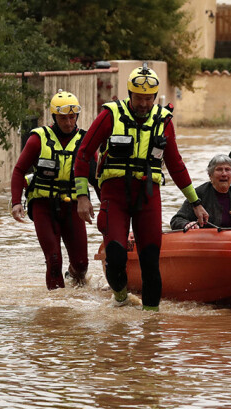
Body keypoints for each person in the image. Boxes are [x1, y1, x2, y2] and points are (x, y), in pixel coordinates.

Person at [74, 64, 208, 311]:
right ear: (129, 94)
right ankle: (122, 298)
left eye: (149, 99)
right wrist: (82, 196)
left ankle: (151, 324)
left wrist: (195, 202)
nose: (144, 104)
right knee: (115, 257)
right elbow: (83, 154)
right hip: (114, 196)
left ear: (155, 97)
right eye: (139, 98)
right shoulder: (110, 115)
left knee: (150, 262)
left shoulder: (163, 121)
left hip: (147, 196)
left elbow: (176, 164)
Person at [10, 90, 89, 290]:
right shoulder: (38, 139)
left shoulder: (85, 141)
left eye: (72, 117)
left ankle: (74, 283)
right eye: (63, 118)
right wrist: (16, 202)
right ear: (54, 117)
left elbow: (96, 177)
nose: (69, 122)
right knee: (54, 260)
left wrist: (106, 206)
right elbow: (19, 170)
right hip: (43, 206)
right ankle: (56, 312)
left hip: (73, 207)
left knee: (81, 264)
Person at [170, 154, 231, 230]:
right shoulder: (199, 193)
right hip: (206, 244)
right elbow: (176, 220)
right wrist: (188, 224)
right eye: (219, 169)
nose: (224, 174)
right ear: (210, 175)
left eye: (227, 169)